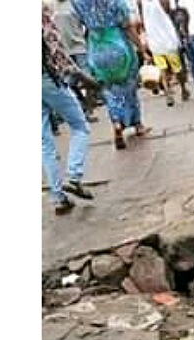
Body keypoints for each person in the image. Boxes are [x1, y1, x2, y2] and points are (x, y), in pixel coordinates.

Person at [72, 0, 153, 150]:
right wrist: (142, 49)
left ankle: (117, 123)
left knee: (108, 90)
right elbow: (128, 27)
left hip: (96, 49)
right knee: (130, 86)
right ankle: (137, 124)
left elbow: (79, 24)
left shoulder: (78, 2)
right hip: (119, 46)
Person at [43, 5, 98, 215]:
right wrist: (84, 77)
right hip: (48, 79)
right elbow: (58, 55)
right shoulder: (43, 16)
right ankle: (74, 176)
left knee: (44, 142)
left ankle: (58, 198)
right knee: (80, 126)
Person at [50, 0, 101, 123]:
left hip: (79, 47)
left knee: (87, 79)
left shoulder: (75, 4)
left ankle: (88, 110)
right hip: (63, 51)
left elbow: (88, 23)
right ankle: (79, 108)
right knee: (68, 82)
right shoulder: (52, 7)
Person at [139, 0, 188, 105]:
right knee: (177, 68)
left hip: (154, 40)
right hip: (168, 39)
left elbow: (142, 20)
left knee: (162, 69)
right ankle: (183, 89)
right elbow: (168, 12)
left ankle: (168, 93)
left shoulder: (141, 2)